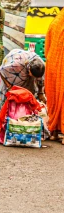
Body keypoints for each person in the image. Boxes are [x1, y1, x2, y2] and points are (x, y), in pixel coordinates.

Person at [45, 8, 64, 142]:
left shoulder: (55, 22)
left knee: (53, 98)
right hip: (61, 67)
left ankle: (54, 132)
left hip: (52, 66)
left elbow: (47, 48)